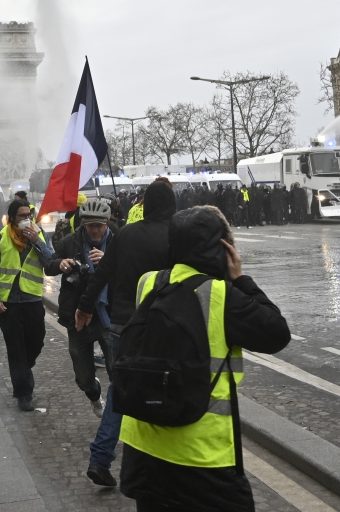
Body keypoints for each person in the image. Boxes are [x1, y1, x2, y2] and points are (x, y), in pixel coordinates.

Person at [119, 206, 290, 511]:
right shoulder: (222, 295)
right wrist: (241, 279)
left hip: (143, 452)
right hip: (201, 456)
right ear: (224, 249)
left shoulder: (149, 283)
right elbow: (277, 333)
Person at [76, 180, 176, 487]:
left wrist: (85, 306)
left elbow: (103, 274)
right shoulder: (175, 235)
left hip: (122, 324)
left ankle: (101, 458)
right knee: (162, 392)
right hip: (159, 326)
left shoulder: (125, 234)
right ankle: (159, 463)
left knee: (120, 391)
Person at [0, 199, 54, 411]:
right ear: (12, 217)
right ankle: (23, 393)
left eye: (28, 215)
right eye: (22, 216)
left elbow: (51, 262)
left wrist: (36, 241)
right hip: (8, 304)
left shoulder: (38, 234)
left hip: (32, 300)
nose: (26, 219)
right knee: (16, 350)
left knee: (36, 342)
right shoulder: (1, 238)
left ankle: (23, 369)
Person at [44, 199, 113, 418]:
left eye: (99, 226)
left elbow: (132, 271)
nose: (95, 231)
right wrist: (60, 264)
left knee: (118, 370)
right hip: (77, 315)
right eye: (90, 226)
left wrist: (109, 261)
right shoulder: (70, 242)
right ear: (83, 224)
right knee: (83, 377)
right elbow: (49, 266)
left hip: (108, 315)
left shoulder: (119, 241)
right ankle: (93, 392)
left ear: (107, 223)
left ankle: (117, 412)